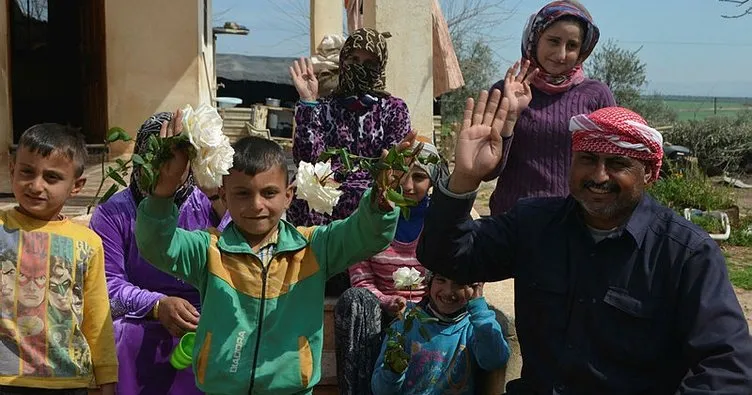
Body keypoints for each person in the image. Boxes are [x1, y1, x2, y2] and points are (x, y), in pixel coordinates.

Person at [417, 90, 752, 394]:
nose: (599, 175)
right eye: (588, 159)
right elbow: (445, 257)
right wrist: (464, 178)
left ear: (649, 173)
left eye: (618, 163)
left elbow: (727, 368)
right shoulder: (533, 224)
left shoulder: (685, 254)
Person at [135, 112, 411, 394]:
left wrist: (381, 199)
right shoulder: (208, 249)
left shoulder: (313, 247)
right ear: (224, 194)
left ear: (288, 195)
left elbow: (366, 234)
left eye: (269, 193)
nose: (256, 205)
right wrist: (162, 193)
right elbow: (157, 245)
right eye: (242, 193)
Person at [89, 112, 229, 395]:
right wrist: (157, 305)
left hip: (207, 316)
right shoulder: (113, 213)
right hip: (144, 318)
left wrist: (218, 198)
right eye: (156, 160)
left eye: (175, 162)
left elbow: (241, 257)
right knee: (124, 336)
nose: (165, 171)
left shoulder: (209, 202)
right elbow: (107, 285)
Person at [289, 27, 411, 295]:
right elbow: (308, 159)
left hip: (369, 196)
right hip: (327, 195)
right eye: (353, 60)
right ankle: (309, 275)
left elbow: (391, 164)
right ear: (342, 61)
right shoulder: (324, 107)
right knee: (301, 192)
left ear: (380, 66)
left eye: (369, 63)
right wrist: (308, 101)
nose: (359, 68)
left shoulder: (394, 109)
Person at [0, 124, 116, 395]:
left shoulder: (87, 243)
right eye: (27, 172)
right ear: (12, 169)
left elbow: (97, 317)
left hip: (67, 380)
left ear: (76, 186)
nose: (36, 185)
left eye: (51, 178)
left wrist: (106, 377)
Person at [334, 138, 444, 394]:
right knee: (354, 300)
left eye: (419, 177)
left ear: (432, 182)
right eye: (400, 173)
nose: (407, 185)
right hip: (379, 313)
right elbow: (361, 278)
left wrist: (418, 308)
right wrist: (387, 301)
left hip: (428, 314)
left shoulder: (439, 222)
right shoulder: (370, 217)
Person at [486, 0, 615, 215]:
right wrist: (510, 116)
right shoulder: (505, 91)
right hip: (513, 222)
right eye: (553, 41)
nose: (561, 54)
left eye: (572, 45)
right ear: (535, 40)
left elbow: (609, 165)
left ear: (583, 49)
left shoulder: (596, 95)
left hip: (574, 223)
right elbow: (488, 171)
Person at [371, 272, 509, 394]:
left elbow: (495, 361)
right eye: (441, 280)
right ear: (429, 283)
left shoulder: (474, 326)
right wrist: (393, 371)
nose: (448, 291)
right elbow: (380, 390)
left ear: (474, 287)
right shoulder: (405, 324)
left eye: (459, 283)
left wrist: (479, 307)